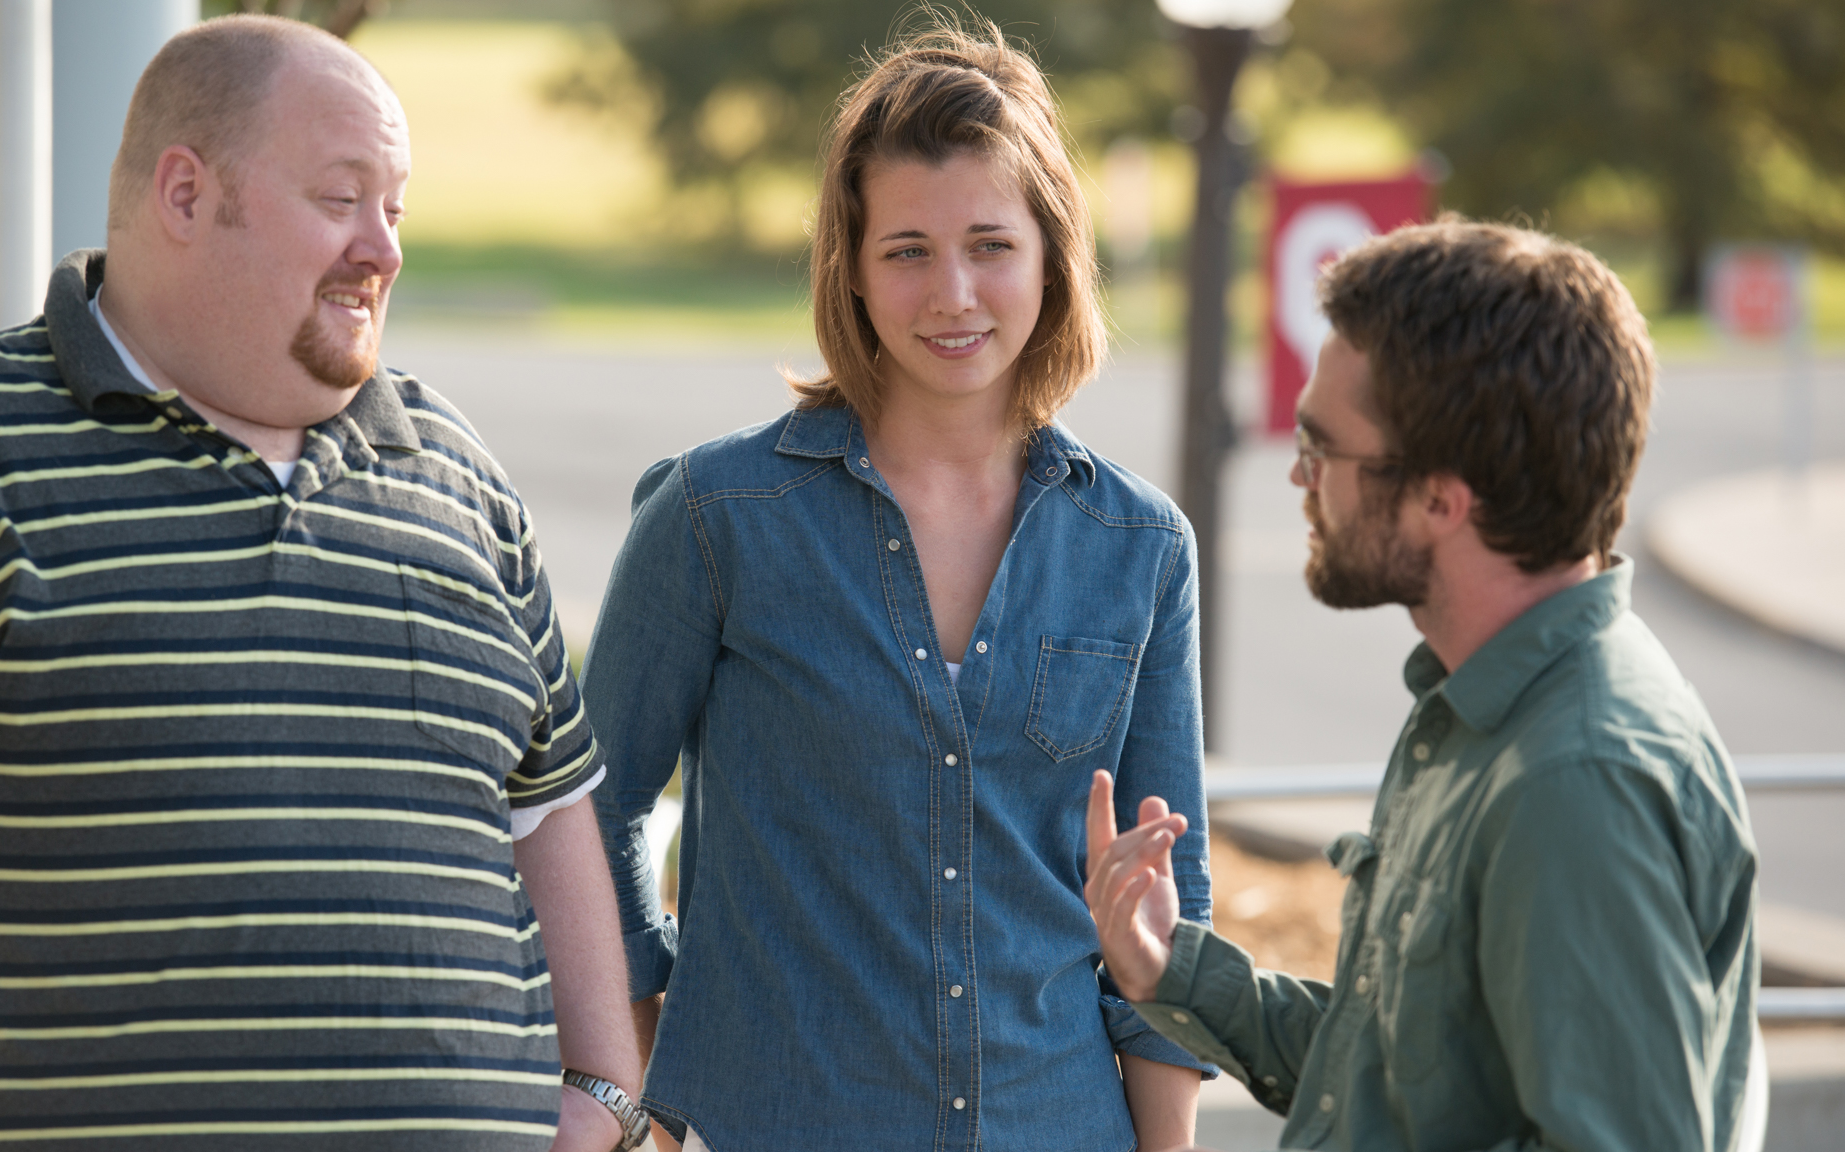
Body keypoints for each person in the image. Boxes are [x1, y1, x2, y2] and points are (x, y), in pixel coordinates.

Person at [0, 16, 648, 1151]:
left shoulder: (458, 477)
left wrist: (600, 1093)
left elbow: (549, 802)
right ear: (187, 195)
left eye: (394, 209)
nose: (382, 247)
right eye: (341, 197)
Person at [581, 21, 1215, 1152]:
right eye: (907, 250)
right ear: (854, 269)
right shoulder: (715, 518)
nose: (953, 294)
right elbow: (594, 810)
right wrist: (640, 1080)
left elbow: (1167, 898)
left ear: (1050, 256)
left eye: (989, 244)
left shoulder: (1139, 546)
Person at [1086, 219, 1759, 1152]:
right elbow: (1402, 1077)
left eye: (1324, 449)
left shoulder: (1576, 782)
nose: (1298, 474)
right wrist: (1174, 971)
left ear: (1443, 499)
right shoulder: (1484, 705)